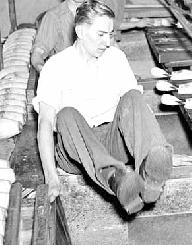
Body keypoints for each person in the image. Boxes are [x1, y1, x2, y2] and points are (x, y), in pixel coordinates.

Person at [33, 0, 173, 215]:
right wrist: (51, 178)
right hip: (75, 149)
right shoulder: (56, 66)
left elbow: (134, 110)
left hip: (112, 140)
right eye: (100, 34)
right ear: (80, 31)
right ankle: (115, 178)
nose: (107, 42)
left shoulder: (116, 58)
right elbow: (44, 123)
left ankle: (151, 168)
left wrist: (146, 137)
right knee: (66, 114)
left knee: (133, 96)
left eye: (110, 34)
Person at [31, 0, 152, 72]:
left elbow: (112, 44)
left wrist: (124, 70)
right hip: (70, 79)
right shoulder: (53, 17)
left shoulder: (98, 12)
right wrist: (43, 69)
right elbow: (38, 52)